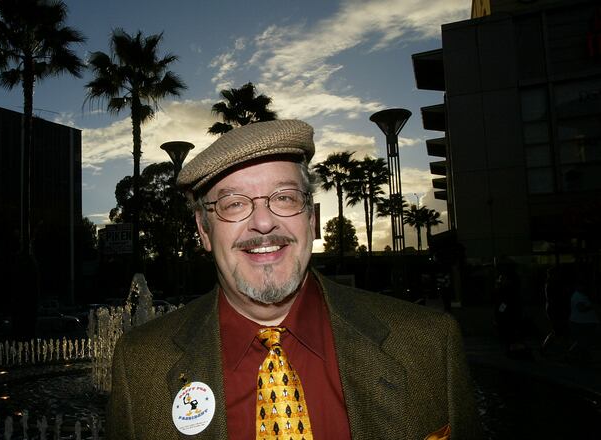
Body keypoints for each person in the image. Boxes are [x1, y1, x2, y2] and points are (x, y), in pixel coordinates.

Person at [106, 120, 481, 439]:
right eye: (234, 203)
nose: (264, 222)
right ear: (204, 231)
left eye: (284, 197)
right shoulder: (141, 364)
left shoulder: (429, 344)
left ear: (312, 219)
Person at [567, 276, 599, 362]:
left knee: (583, 341)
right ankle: (575, 355)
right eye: (582, 285)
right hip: (581, 323)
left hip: (582, 322)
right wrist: (593, 306)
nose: (584, 287)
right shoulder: (578, 296)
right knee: (584, 341)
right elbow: (581, 309)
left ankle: (580, 357)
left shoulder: (581, 295)